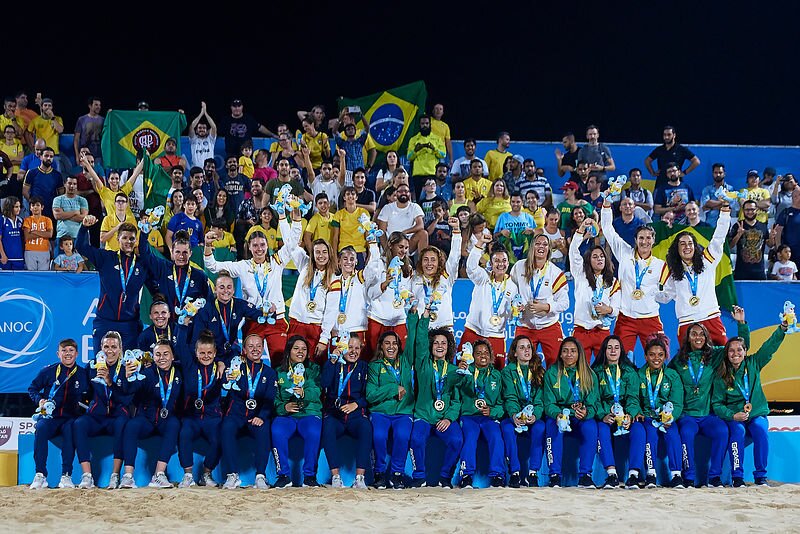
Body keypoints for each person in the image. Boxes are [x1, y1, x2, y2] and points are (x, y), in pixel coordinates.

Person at [204, 209, 302, 365]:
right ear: (249, 247)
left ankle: (278, 389)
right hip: (253, 320)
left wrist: (296, 221)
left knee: (280, 361)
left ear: (267, 245)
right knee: (249, 363)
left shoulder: (277, 262)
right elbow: (213, 266)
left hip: (276, 321)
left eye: (262, 244)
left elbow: (292, 244)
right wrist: (208, 246)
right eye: (255, 245)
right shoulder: (243, 266)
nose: (259, 248)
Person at [670, 306, 747, 487]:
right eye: (694, 334)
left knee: (722, 431)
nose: (698, 338)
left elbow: (739, 348)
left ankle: (714, 477)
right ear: (687, 338)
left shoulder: (716, 355)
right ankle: (688, 477)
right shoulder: (678, 360)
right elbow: (667, 382)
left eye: (702, 334)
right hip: (687, 416)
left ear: (706, 337)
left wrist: (741, 324)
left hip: (708, 416)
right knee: (686, 433)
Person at [712, 322, 787, 487]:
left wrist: (781, 329)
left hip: (756, 414)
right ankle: (737, 477)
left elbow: (770, 347)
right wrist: (732, 415)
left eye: (739, 350)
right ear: (727, 354)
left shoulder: (754, 363)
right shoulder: (721, 374)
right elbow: (717, 404)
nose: (735, 353)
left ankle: (761, 477)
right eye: (731, 350)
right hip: (735, 416)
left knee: (760, 430)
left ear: (745, 352)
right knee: (737, 432)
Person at [600, 199, 668, 354]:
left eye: (648, 238)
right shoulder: (624, 253)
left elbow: (671, 290)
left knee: (658, 358)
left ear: (653, 240)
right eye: (641, 238)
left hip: (650, 318)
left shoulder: (660, 265)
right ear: (636, 240)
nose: (645, 241)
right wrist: (606, 205)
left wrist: (659, 297)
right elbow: (608, 229)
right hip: (626, 318)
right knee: (619, 359)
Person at [661, 204, 731, 346]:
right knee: (688, 364)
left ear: (695, 246)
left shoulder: (707, 261)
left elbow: (719, 238)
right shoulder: (673, 271)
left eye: (690, 243)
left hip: (710, 317)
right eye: (682, 244)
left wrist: (724, 212)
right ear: (677, 248)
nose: (687, 247)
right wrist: (650, 293)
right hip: (686, 321)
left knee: (723, 359)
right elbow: (667, 295)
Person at [407, 311, 463, 488]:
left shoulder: (454, 370)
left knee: (457, 440)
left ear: (449, 347)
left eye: (444, 343)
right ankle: (420, 476)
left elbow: (457, 400)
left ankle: (445, 477)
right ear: (431, 346)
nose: (440, 346)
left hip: (444, 418)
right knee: (416, 439)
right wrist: (423, 319)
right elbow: (421, 341)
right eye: (436, 342)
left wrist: (449, 418)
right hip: (423, 415)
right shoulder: (423, 364)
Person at [117, 340, 183, 489]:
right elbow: (130, 389)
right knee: (131, 425)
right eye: (158, 355)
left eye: (166, 354)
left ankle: (159, 475)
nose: (162, 358)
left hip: (166, 421)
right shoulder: (147, 373)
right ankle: (128, 476)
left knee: (174, 424)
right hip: (146, 420)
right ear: (153, 357)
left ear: (173, 356)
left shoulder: (179, 373)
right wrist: (127, 377)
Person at [72, 331, 132, 489]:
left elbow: (127, 399)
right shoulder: (92, 366)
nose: (109, 350)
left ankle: (115, 475)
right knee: (79, 424)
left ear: (120, 349)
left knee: (122, 424)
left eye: (114, 347)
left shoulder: (127, 367)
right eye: (106, 346)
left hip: (118, 414)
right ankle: (87, 476)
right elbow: (85, 393)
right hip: (97, 416)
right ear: (100, 348)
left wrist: (109, 382)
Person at [77, 216, 147, 350]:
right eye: (124, 238)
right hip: (105, 321)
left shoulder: (141, 264)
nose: (128, 241)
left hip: (129, 324)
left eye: (132, 238)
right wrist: (84, 228)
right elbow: (82, 247)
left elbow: (154, 285)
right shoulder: (106, 258)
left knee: (129, 366)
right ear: (117, 239)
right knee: (101, 365)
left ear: (136, 240)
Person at [27, 338, 88, 490]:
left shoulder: (82, 374)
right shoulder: (48, 371)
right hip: (50, 418)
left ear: (77, 354)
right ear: (58, 354)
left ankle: (66, 476)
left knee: (70, 431)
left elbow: (90, 396)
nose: (68, 354)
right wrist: (40, 400)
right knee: (40, 428)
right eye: (64, 351)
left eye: (71, 351)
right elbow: (32, 389)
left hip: (70, 418)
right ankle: (40, 475)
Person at [627, 335, 686, 489]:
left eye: (660, 355)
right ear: (645, 356)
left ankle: (676, 475)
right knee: (650, 434)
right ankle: (651, 474)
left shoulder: (672, 376)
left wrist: (670, 418)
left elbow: (677, 402)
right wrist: (636, 412)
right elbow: (632, 398)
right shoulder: (638, 375)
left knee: (673, 434)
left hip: (666, 419)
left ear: (665, 356)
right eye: (652, 355)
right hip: (646, 417)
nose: (656, 359)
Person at [219, 333, 277, 490]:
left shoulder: (270, 373)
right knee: (226, 427)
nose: (255, 349)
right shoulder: (235, 367)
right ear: (244, 349)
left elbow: (270, 400)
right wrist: (228, 379)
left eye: (259, 346)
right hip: (236, 414)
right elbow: (225, 388)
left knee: (264, 428)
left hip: (256, 416)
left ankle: (260, 476)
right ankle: (232, 475)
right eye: (251, 346)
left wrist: (262, 416)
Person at [542, 338, 599, 488]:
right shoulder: (552, 373)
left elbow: (594, 403)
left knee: (590, 427)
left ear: (579, 354)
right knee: (554, 427)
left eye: (573, 351)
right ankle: (554, 475)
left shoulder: (589, 374)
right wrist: (558, 414)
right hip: (561, 415)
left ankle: (585, 475)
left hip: (580, 416)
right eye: (565, 351)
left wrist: (587, 412)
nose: (569, 354)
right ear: (560, 354)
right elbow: (548, 403)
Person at [173, 326, 225, 488]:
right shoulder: (189, 365)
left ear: (215, 353)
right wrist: (182, 325)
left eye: (209, 353)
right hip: (191, 417)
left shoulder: (220, 369)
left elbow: (237, 357)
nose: (206, 356)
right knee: (185, 434)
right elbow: (180, 344)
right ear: (196, 353)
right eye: (202, 353)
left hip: (212, 417)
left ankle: (206, 473)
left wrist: (223, 363)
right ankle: (188, 475)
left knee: (219, 438)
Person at [272, 335, 323, 488]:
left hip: (309, 412)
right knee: (277, 430)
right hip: (287, 416)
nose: (300, 352)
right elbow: (273, 398)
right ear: (289, 351)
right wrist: (283, 407)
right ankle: (283, 476)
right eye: (296, 348)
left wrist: (304, 393)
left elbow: (317, 391)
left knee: (313, 432)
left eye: (304, 349)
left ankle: (309, 476)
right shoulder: (279, 372)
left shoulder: (314, 369)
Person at [320, 335, 372, 489]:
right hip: (335, 413)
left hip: (356, 414)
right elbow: (324, 383)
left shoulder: (364, 367)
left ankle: (359, 478)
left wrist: (357, 404)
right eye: (350, 347)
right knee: (327, 427)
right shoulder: (334, 364)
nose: (353, 351)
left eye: (357, 348)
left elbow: (368, 394)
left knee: (366, 427)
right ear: (342, 348)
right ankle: (336, 477)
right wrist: (332, 360)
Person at [510, 234, 569, 366]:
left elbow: (564, 303)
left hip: (549, 326)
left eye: (545, 244)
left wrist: (546, 307)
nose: (541, 246)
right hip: (525, 326)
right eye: (538, 243)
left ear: (549, 249)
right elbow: (509, 291)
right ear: (532, 247)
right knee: (522, 366)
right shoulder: (519, 267)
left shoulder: (556, 273)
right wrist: (514, 304)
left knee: (556, 366)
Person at [366, 328, 415, 489]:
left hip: (403, 411)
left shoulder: (406, 362)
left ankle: (397, 474)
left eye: (395, 343)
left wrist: (414, 316)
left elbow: (416, 338)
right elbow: (371, 395)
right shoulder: (374, 366)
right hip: (381, 412)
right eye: (387, 343)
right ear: (381, 346)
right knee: (379, 436)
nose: (391, 347)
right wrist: (394, 388)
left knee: (402, 435)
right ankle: (379, 473)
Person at [454, 339, 505, 488]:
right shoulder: (466, 372)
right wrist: (461, 374)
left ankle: (498, 476)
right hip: (469, 417)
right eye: (478, 353)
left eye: (486, 352)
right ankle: (466, 476)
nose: (483, 356)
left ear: (490, 356)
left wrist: (493, 411)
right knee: (469, 437)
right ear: (473, 356)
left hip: (489, 417)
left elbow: (502, 404)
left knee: (496, 437)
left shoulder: (497, 375)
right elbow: (456, 391)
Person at [462, 234, 519, 369]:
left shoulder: (513, 285)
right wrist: (479, 244)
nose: (501, 264)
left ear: (508, 262)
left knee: (497, 373)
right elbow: (470, 268)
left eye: (504, 260)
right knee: (463, 369)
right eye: (497, 261)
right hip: (473, 331)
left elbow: (511, 314)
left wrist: (515, 311)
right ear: (491, 264)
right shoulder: (483, 277)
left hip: (496, 335)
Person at [569, 223, 621, 363]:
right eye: (595, 257)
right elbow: (573, 250)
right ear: (588, 260)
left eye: (602, 257)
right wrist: (580, 231)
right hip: (581, 331)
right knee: (580, 370)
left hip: (602, 331)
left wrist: (608, 309)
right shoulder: (581, 274)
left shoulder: (613, 282)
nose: (599, 259)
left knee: (604, 370)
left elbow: (616, 308)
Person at [499, 336, 546, 488]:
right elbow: (510, 397)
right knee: (506, 428)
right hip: (514, 416)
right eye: (522, 347)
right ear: (514, 353)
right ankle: (515, 473)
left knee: (539, 427)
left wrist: (535, 415)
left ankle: (533, 473)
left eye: (529, 347)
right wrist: (515, 415)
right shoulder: (508, 372)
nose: (526, 350)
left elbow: (540, 400)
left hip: (532, 417)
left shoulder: (539, 371)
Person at [591, 336, 637, 489]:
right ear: (604, 350)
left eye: (616, 347)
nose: (613, 351)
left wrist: (629, 415)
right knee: (602, 430)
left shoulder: (629, 372)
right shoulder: (596, 372)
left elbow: (633, 397)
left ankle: (633, 476)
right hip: (606, 416)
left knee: (639, 430)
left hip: (625, 416)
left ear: (621, 350)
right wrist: (603, 414)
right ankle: (612, 474)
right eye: (609, 347)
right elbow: (594, 399)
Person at [285, 238, 340, 364]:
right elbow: (290, 241)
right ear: (312, 254)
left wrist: (324, 339)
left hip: (316, 329)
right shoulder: (304, 266)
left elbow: (331, 312)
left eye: (324, 252)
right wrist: (283, 218)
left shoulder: (334, 279)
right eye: (317, 252)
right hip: (296, 324)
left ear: (329, 254)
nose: (321, 256)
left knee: (313, 367)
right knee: (291, 363)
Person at [190, 272, 264, 362]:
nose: (226, 291)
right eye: (221, 287)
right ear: (215, 289)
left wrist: (269, 311)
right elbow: (196, 340)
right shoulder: (206, 309)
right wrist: (217, 361)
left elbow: (258, 314)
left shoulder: (239, 304)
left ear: (233, 290)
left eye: (229, 287)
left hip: (232, 353)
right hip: (212, 355)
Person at [411, 217, 461, 330]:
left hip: (444, 328)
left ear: (439, 263)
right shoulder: (414, 278)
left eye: (433, 260)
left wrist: (457, 231)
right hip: (421, 329)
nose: (429, 263)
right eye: (426, 259)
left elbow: (454, 257)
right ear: (421, 262)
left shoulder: (446, 276)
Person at [376, 183, 427, 255]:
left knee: (423, 233)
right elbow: (382, 231)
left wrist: (405, 232)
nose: (403, 193)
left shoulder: (415, 207)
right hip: (392, 243)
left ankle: (422, 263)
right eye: (400, 191)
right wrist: (386, 250)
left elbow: (420, 226)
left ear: (410, 194)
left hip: (408, 243)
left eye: (406, 191)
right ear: (396, 193)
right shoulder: (387, 208)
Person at [729, 199, 771, 280]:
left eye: (752, 209)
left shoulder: (763, 226)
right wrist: (738, 235)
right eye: (747, 210)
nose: (750, 212)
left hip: (759, 271)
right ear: (743, 210)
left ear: (757, 210)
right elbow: (730, 246)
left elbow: (770, 244)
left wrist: (772, 237)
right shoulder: (737, 225)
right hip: (741, 271)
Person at [406, 115, 446, 200]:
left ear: (430, 124)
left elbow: (443, 154)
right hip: (418, 174)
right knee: (419, 200)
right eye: (422, 123)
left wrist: (434, 149)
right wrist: (416, 150)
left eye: (427, 123)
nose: (425, 125)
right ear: (419, 125)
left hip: (432, 172)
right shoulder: (413, 139)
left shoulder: (437, 139)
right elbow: (409, 157)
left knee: (433, 198)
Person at [22, 147, 62, 220]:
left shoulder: (57, 175)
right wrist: (34, 204)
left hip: (51, 210)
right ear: (40, 157)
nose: (49, 158)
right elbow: (25, 191)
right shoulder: (31, 173)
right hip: (36, 211)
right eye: (46, 156)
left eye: (51, 156)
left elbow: (61, 193)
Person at [700, 163, 735, 228]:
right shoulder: (707, 189)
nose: (718, 174)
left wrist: (712, 208)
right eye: (715, 172)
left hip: (725, 224)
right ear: (712, 174)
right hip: (710, 225)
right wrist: (723, 202)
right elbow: (707, 203)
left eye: (720, 172)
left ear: (724, 174)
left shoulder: (730, 189)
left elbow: (731, 205)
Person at [22, 196, 52, 270]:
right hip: (30, 250)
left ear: (42, 207)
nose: (35, 207)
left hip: (44, 250)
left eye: (38, 205)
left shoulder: (47, 220)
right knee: (31, 274)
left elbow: (49, 234)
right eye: (33, 205)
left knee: (43, 275)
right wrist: (43, 233)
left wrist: (34, 231)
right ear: (30, 208)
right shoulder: (27, 220)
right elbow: (27, 237)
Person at [73, 97, 104, 166]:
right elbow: (76, 139)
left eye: (99, 105)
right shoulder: (81, 120)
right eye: (96, 105)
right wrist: (77, 155)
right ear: (90, 106)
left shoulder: (103, 120)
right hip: (84, 154)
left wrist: (110, 115)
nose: (98, 107)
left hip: (99, 155)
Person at [188, 101, 218, 169]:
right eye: (199, 128)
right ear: (196, 130)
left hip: (209, 170)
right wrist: (201, 113)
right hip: (196, 170)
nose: (202, 129)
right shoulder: (193, 140)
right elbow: (191, 127)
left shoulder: (210, 140)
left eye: (204, 128)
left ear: (207, 131)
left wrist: (205, 113)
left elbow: (213, 127)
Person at [0, 196, 24, 270]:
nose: (19, 209)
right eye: (16, 207)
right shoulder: (2, 220)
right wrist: (3, 255)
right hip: (6, 258)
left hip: (19, 258)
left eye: (19, 206)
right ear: (9, 207)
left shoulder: (21, 220)